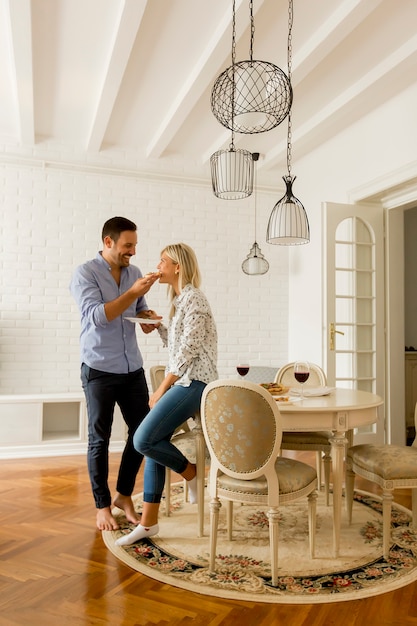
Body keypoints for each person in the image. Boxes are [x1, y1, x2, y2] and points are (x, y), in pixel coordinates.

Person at [116, 243, 218, 546]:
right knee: (154, 443)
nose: (157, 266)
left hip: (195, 383)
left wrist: (161, 388)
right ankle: (148, 524)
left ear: (178, 267)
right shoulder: (180, 300)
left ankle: (192, 473)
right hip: (185, 381)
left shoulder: (195, 299)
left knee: (142, 439)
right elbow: (178, 345)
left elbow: (188, 351)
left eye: (163, 261)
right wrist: (158, 327)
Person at [70, 216, 161, 531]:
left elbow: (138, 310)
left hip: (131, 367)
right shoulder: (86, 273)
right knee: (100, 438)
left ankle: (123, 495)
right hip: (99, 368)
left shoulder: (134, 273)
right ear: (108, 242)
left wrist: (148, 317)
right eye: (127, 245)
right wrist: (132, 292)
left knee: (142, 435)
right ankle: (102, 506)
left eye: (134, 245)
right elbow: (97, 317)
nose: (133, 252)